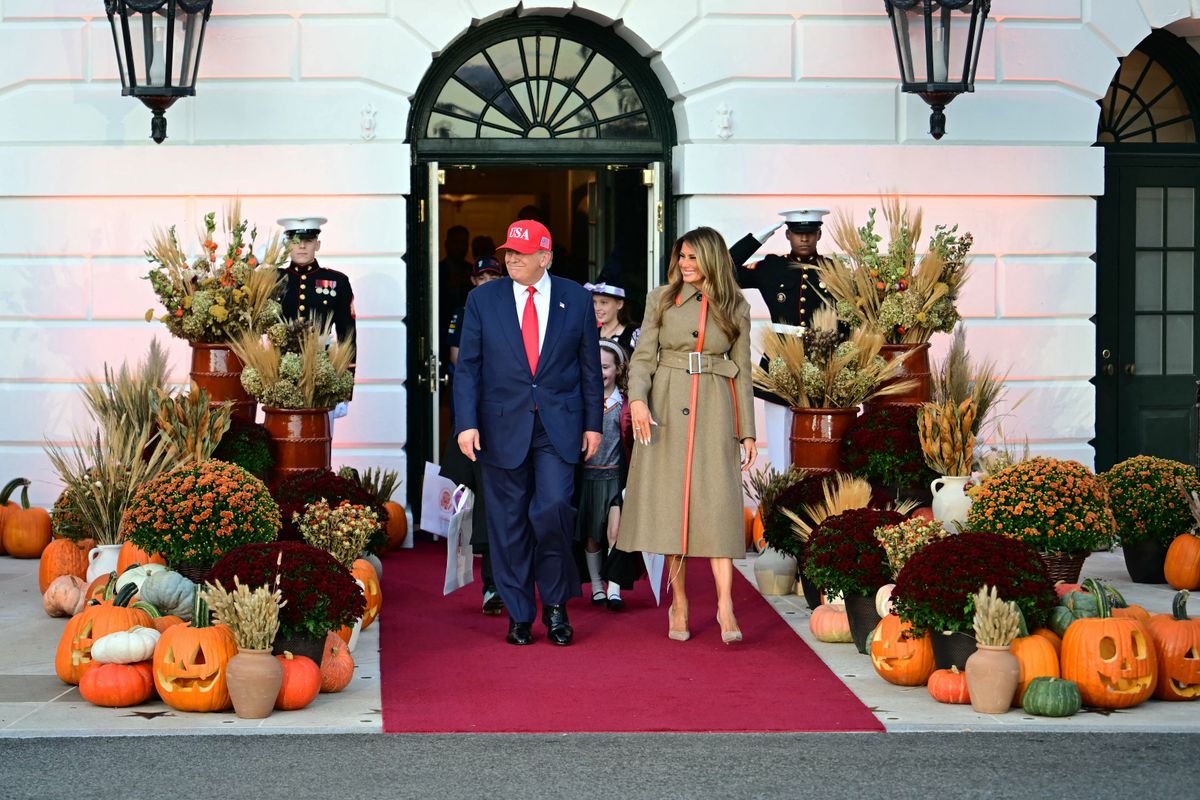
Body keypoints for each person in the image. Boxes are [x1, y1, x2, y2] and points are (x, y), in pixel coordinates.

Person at [454, 218, 603, 647]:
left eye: (521, 252)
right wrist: (466, 423)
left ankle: (555, 605)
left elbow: (589, 369)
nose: (512, 258)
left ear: (546, 257)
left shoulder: (575, 299)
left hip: (560, 425)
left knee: (554, 510)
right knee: (508, 523)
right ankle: (520, 614)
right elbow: (469, 369)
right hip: (501, 425)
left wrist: (593, 423)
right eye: (509, 252)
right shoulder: (484, 299)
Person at [617, 227, 757, 644]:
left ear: (712, 258)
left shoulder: (736, 305)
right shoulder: (660, 299)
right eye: (681, 257)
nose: (685, 264)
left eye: (694, 257)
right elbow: (642, 359)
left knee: (717, 504)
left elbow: (744, 370)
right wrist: (637, 401)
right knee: (671, 507)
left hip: (716, 404)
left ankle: (725, 604)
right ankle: (678, 601)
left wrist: (747, 431)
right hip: (666, 405)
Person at [727, 209, 838, 473]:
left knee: (818, 435)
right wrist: (758, 238)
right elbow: (723, 270)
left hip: (821, 358)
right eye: (798, 233)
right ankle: (779, 492)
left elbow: (847, 318)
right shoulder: (771, 267)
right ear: (788, 234)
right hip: (779, 359)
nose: (804, 239)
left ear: (819, 234)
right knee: (778, 434)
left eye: (810, 233)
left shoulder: (834, 270)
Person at [441, 255, 506, 617]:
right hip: (478, 419)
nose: (487, 282)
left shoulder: (514, 310)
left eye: (492, 276)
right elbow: (461, 360)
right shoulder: (466, 312)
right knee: (481, 502)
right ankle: (493, 585)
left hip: (513, 420)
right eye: (481, 277)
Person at [277, 217, 356, 422]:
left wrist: (345, 387)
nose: (302, 245)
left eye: (309, 240)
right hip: (279, 370)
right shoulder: (272, 279)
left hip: (323, 372)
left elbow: (348, 334)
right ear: (287, 244)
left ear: (317, 244)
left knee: (321, 434)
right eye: (295, 240)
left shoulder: (337, 281)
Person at [575, 340, 633, 611]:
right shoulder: (580, 404)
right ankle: (597, 585)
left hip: (615, 479)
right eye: (594, 366)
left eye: (605, 367)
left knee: (615, 532)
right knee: (592, 536)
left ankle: (614, 587)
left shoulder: (627, 406)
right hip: (588, 478)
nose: (600, 372)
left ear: (618, 370)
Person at [586, 281, 640, 356]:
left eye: (603, 302)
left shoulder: (634, 334)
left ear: (620, 304)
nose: (597, 308)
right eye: (594, 302)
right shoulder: (590, 334)